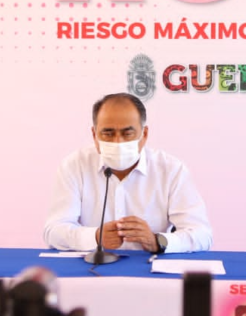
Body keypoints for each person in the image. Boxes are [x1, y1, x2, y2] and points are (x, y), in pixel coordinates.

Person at [43, 93, 212, 254]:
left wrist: (157, 241)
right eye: (108, 133)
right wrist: (95, 237)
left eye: (127, 133)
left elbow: (202, 234)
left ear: (144, 135)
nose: (118, 142)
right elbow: (53, 231)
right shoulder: (74, 166)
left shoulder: (171, 170)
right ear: (94, 135)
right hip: (92, 266)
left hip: (148, 268)